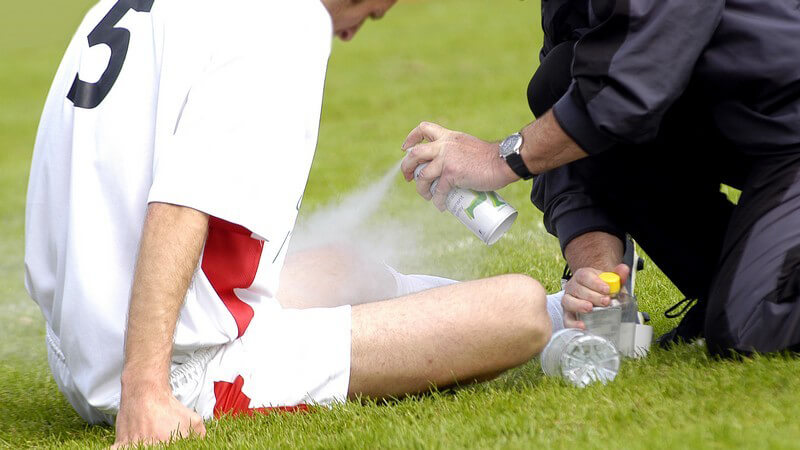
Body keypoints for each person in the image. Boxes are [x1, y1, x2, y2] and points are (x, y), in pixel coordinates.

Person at [24, 0, 556, 447]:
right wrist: (145, 392)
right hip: (173, 368)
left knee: (344, 268)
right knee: (521, 309)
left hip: (79, 344)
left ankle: (570, 315)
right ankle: (565, 319)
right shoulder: (283, 23)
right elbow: (181, 205)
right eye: (372, 13)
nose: (352, 32)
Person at [401, 0, 800, 357]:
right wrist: (597, 273)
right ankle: (727, 288)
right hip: (759, 130)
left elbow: (632, 84)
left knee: (750, 325)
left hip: (786, 122)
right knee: (559, 76)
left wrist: (498, 158)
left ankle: (749, 296)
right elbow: (569, 124)